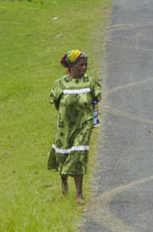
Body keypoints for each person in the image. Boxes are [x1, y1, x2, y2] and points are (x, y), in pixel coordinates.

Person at [47, 49, 101, 204]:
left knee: (79, 155)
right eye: (80, 65)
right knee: (63, 155)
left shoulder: (89, 82)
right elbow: (57, 103)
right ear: (71, 66)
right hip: (65, 127)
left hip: (84, 124)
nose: (84, 68)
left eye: (85, 65)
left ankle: (79, 194)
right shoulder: (61, 83)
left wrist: (94, 120)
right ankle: (64, 180)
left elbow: (95, 101)